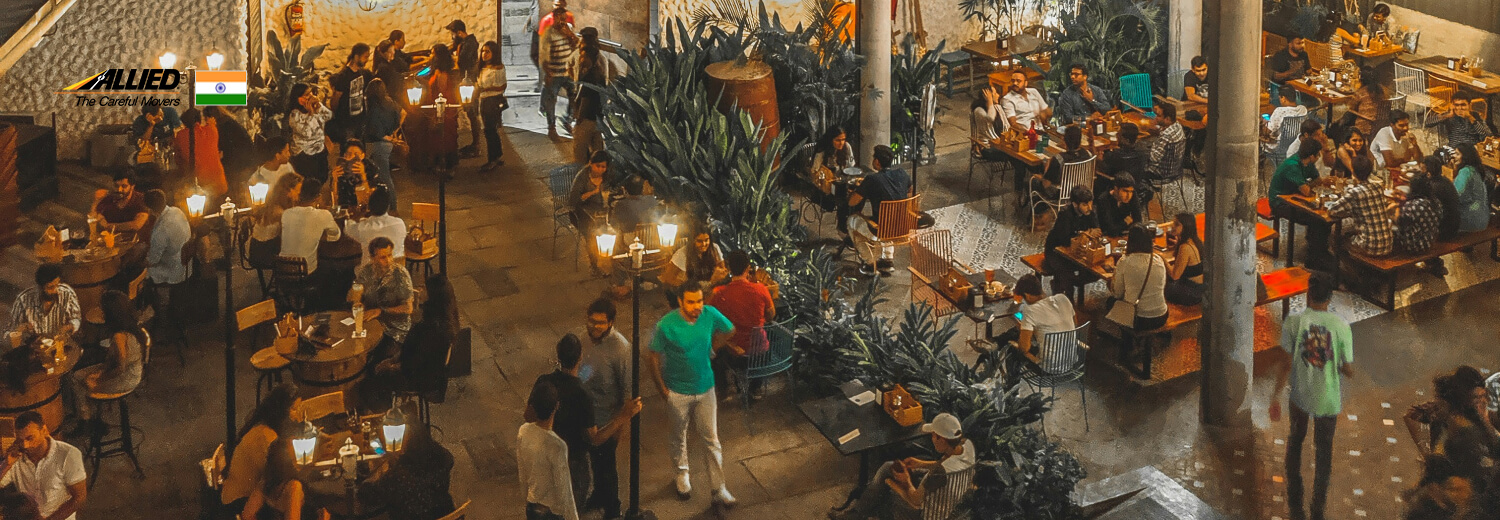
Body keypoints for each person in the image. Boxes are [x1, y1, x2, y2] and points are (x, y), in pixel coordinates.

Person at [530, 335, 644, 514]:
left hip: (544, 455)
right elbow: (594, 439)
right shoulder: (581, 394)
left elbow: (528, 416)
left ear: (558, 356)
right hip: (573, 463)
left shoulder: (544, 382)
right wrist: (623, 416)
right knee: (569, 509)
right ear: (580, 358)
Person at [648, 281, 736, 505]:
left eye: (699, 301)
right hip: (677, 391)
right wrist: (663, 390)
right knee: (678, 435)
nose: (697, 306)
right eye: (691, 302)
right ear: (680, 302)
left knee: (712, 439)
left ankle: (719, 487)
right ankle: (682, 474)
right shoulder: (666, 325)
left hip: (706, 387)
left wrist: (713, 349)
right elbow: (653, 357)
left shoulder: (710, 314)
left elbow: (729, 329)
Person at [1275, 272, 1354, 520]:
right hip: (1327, 399)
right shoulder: (1341, 326)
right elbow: (1348, 368)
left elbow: (1285, 363)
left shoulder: (1293, 322)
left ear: (1308, 294)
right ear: (1330, 298)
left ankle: (1294, 491)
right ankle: (1318, 507)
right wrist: (1340, 366)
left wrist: (1275, 395)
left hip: (1300, 394)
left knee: (1296, 438)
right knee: (1323, 451)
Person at [827, 413, 976, 520]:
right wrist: (920, 463)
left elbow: (915, 499)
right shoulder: (967, 446)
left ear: (942, 439)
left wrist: (906, 480)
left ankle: (856, 515)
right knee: (888, 467)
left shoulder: (940, 472)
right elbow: (948, 462)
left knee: (886, 479)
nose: (932, 438)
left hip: (924, 514)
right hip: (946, 500)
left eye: (933, 435)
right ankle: (859, 512)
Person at [363, 275, 457, 412]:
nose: (420, 290)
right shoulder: (442, 318)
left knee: (369, 382)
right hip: (419, 368)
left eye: (424, 288)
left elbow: (414, 363)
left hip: (419, 377)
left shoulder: (435, 329)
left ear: (433, 296)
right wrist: (393, 360)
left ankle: (383, 416)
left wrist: (390, 367)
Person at [575, 298, 632, 517]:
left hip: (607, 419)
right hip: (586, 417)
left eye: (600, 323)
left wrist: (620, 426)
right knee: (595, 463)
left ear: (610, 323)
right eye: (591, 321)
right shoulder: (583, 339)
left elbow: (627, 391)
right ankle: (599, 495)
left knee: (607, 466)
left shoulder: (621, 349)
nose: (594, 327)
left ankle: (612, 506)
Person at [358, 405, 456, 520]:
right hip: (443, 514)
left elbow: (368, 497)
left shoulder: (398, 476)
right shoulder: (441, 455)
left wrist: (370, 478)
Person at [68, 290, 144, 424]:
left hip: (125, 378)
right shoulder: (131, 325)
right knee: (77, 376)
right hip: (133, 371)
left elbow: (120, 367)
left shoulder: (119, 337)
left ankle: (88, 421)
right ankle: (89, 417)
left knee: (79, 381)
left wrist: (98, 378)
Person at [708, 251, 776, 398]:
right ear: (748, 268)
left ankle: (724, 389)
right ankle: (755, 388)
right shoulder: (761, 290)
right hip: (759, 354)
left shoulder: (719, 293)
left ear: (729, 269)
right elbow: (771, 316)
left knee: (713, 345)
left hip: (733, 354)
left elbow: (710, 320)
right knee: (763, 339)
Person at [0, 411, 86, 520]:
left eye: (30, 438)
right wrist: (6, 465)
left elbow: (79, 497)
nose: (25, 445)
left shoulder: (68, 454)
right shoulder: (16, 457)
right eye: (20, 440)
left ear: (44, 431)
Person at [518, 381, 581, 520]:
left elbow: (522, 473)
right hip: (550, 513)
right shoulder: (557, 446)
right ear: (556, 406)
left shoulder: (524, 431)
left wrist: (526, 500)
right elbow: (564, 490)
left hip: (532, 507)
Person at [1269, 140, 1335, 268]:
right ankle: (1313, 257)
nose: (1319, 157)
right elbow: (1306, 191)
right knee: (1317, 219)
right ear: (1312, 156)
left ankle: (1320, 251)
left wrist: (1318, 182)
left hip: (1294, 198)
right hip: (1279, 203)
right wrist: (1314, 184)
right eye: (1318, 155)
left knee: (1325, 219)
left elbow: (1317, 179)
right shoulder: (1293, 165)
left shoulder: (1307, 164)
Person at [847, 146, 912, 275]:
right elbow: (910, 191)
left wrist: (857, 190)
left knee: (852, 221)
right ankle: (887, 260)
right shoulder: (902, 173)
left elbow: (852, 201)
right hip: (903, 225)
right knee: (888, 218)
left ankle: (870, 263)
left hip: (881, 228)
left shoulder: (872, 179)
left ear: (877, 161)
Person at [1404, 366, 1490, 459]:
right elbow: (1411, 416)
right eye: (1476, 397)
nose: (1483, 401)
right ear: (1464, 394)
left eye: (1483, 396)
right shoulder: (1443, 408)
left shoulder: (1478, 413)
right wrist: (1426, 453)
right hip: (1448, 467)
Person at [1108, 223, 1168, 352]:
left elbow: (1117, 294)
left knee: (1110, 302)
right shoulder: (1158, 259)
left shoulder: (1125, 261)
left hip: (1139, 318)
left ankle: (1126, 344)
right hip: (1161, 315)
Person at [1006, 274, 1078, 368]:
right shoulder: (1062, 298)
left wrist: (1024, 332)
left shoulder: (1030, 310)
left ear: (1027, 295)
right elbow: (1075, 324)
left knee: (1011, 348)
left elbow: (1024, 349)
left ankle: (1011, 381)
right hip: (1071, 361)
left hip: (1049, 368)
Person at [1329, 155, 1394, 256]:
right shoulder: (1378, 187)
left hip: (1369, 246)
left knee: (1336, 232)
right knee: (1352, 226)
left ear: (1353, 172)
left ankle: (1346, 269)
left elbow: (1333, 210)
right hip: (1387, 243)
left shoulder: (1354, 192)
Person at [353, 237, 414, 346]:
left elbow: (408, 308)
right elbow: (357, 292)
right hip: (371, 325)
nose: (388, 261)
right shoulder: (366, 272)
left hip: (395, 331)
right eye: (383, 257)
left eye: (390, 255)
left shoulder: (400, 274)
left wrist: (381, 311)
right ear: (372, 258)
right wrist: (356, 301)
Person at [1042, 186, 1100, 295]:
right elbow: (1064, 240)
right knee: (1066, 274)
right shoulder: (1065, 214)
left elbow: (1096, 229)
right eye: (1085, 204)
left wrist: (1087, 234)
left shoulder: (1090, 212)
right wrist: (1085, 233)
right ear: (1075, 204)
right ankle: (1066, 298)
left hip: (1077, 251)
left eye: (1090, 203)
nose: (1089, 207)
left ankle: (1066, 284)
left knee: (1093, 271)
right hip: (1055, 252)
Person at [279, 177, 341, 276]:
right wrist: (320, 236)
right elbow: (336, 236)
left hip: (282, 271)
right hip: (306, 273)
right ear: (318, 197)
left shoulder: (286, 213)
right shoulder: (323, 214)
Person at [7, 264, 80, 343]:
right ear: (40, 287)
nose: (55, 290)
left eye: (57, 285)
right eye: (50, 287)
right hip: (34, 347)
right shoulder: (23, 300)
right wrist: (20, 329)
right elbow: (11, 330)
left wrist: (69, 327)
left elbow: (76, 319)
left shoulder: (67, 294)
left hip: (61, 345)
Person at [538, 4, 579, 138]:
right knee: (551, 99)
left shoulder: (568, 29)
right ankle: (551, 126)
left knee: (574, 97)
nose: (562, 22)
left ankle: (568, 120)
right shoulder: (548, 33)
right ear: (554, 18)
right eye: (560, 19)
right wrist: (547, 73)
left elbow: (577, 45)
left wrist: (570, 34)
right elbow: (543, 55)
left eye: (564, 19)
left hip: (568, 72)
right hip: (554, 73)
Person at [362, 77, 404, 206]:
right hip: (388, 144)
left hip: (379, 144)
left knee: (384, 176)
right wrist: (395, 131)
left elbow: (375, 131)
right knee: (381, 175)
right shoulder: (390, 102)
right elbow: (404, 113)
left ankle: (392, 204)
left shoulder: (374, 109)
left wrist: (386, 136)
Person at [445, 19, 483, 158]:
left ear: (460, 32)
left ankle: (476, 145)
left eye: (453, 33)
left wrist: (456, 53)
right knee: (470, 112)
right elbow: (451, 49)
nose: (452, 36)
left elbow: (462, 61)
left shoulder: (469, 43)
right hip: (466, 82)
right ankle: (475, 144)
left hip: (469, 83)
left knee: (472, 112)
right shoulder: (463, 43)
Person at [250, 172, 303, 269]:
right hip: (264, 255)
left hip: (256, 250)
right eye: (298, 191)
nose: (299, 195)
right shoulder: (278, 212)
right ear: (289, 191)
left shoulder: (273, 203)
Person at [1034, 126, 1094, 212]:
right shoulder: (1087, 154)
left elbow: (1046, 184)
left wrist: (1045, 170)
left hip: (1061, 194)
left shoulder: (1059, 159)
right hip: (1081, 192)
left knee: (1034, 182)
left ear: (1064, 140)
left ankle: (1038, 215)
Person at [421, 43, 462, 171]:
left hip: (442, 109)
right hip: (444, 107)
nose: (431, 56)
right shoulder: (443, 71)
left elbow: (441, 91)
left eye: (433, 53)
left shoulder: (441, 74)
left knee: (443, 137)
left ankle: (446, 165)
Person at [1421, 154, 1463, 276]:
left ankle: (1433, 262)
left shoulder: (1432, 187)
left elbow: (1428, 212)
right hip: (1455, 223)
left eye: (1422, 169)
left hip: (1445, 231)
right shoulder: (1445, 181)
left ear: (1428, 172)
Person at [344, 187, 405, 266]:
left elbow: (347, 229)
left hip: (371, 274)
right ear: (388, 207)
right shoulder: (399, 224)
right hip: (396, 271)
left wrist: (357, 215)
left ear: (369, 208)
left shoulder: (362, 228)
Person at [572, 28, 607, 164]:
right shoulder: (599, 64)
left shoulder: (589, 70)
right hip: (598, 114)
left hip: (587, 116)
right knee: (597, 148)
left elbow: (586, 96)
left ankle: (583, 174)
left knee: (579, 148)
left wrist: (579, 116)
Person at [174, 108, 228, 197]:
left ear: (184, 123)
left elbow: (178, 161)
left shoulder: (180, 135)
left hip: (199, 188)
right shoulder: (212, 130)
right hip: (220, 184)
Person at [662, 228, 728, 300]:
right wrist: (686, 285)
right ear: (692, 241)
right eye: (699, 241)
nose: (704, 244)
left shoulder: (714, 248)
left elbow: (723, 269)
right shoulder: (682, 254)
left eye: (706, 240)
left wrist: (718, 275)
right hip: (691, 291)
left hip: (710, 287)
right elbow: (667, 277)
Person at [287, 83, 334, 184]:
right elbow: (307, 133)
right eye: (307, 94)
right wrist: (311, 113)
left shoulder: (315, 107)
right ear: (299, 99)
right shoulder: (295, 115)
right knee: (309, 182)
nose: (311, 96)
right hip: (305, 154)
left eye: (311, 93)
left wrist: (319, 107)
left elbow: (329, 116)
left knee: (322, 177)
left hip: (319, 149)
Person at [328, 43, 374, 143]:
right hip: (347, 121)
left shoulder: (363, 73)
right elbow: (335, 99)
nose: (366, 60)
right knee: (348, 146)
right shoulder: (344, 76)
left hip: (360, 119)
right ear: (356, 56)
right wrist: (336, 113)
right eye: (365, 57)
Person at [144, 189, 190, 285]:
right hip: (187, 265)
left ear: (149, 209)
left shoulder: (161, 230)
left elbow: (152, 260)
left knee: (139, 273)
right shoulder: (177, 211)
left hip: (173, 271)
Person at [204, 106, 256, 189]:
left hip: (239, 165)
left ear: (211, 117)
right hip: (247, 161)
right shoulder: (229, 121)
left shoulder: (221, 127)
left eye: (205, 119)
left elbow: (221, 150)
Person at [477, 40, 509, 171]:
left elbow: (502, 86)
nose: (484, 54)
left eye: (487, 52)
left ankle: (493, 159)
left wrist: (485, 89)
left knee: (490, 131)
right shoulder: (483, 67)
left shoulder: (497, 68)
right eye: (483, 51)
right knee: (490, 130)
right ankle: (497, 156)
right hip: (484, 101)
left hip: (492, 102)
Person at [1394, 175, 1444, 255]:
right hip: (1430, 241)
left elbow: (1398, 222)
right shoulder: (1435, 201)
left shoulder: (1411, 206)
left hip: (1414, 246)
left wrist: (1397, 206)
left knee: (1391, 229)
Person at [568, 151, 613, 238]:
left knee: (616, 223)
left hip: (601, 209)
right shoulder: (582, 177)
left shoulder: (607, 175)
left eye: (603, 167)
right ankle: (593, 249)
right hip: (581, 212)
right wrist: (592, 192)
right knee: (593, 231)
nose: (600, 170)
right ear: (591, 164)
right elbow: (573, 200)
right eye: (597, 166)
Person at [1164, 212, 1205, 306]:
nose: (1173, 226)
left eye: (1177, 224)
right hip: (1199, 289)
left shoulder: (1185, 247)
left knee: (1162, 281)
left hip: (1190, 293)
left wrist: (1163, 260)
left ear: (1185, 227)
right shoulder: (1195, 241)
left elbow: (1175, 276)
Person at [1427, 97, 1494, 149]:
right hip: (1454, 150)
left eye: (1463, 105)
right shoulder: (1449, 116)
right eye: (1457, 105)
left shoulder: (1475, 116)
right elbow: (1427, 123)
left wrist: (1471, 119)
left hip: (1471, 151)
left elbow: (1488, 136)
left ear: (1469, 105)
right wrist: (1446, 116)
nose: (1460, 108)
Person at [1452, 144, 1491, 233]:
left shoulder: (1465, 172)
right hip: (1483, 216)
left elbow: (1457, 196)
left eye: (1457, 154)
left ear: (1465, 156)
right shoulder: (1475, 169)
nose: (1454, 156)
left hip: (1471, 218)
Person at [1146, 103, 1185, 186]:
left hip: (1162, 172)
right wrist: (1158, 128)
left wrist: (1143, 147)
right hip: (1176, 169)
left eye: (1158, 116)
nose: (1156, 117)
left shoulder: (1166, 135)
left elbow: (1154, 158)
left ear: (1167, 118)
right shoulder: (1177, 125)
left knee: (1133, 163)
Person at [333, 138, 375, 209]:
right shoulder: (340, 169)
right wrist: (335, 180)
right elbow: (334, 198)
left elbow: (372, 198)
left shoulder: (371, 169)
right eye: (349, 154)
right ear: (345, 155)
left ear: (362, 155)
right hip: (345, 209)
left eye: (356, 154)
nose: (352, 157)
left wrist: (363, 175)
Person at [1265, 89, 1309, 155]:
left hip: (1279, 148)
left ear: (1283, 98)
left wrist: (1264, 123)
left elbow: (1268, 131)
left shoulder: (1279, 111)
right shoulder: (1303, 109)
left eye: (1280, 98)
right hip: (1296, 145)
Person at [1348, 67, 1388, 138]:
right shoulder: (1383, 90)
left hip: (1365, 124)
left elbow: (1351, 108)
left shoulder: (1361, 93)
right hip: (1381, 124)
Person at [971, 85, 1008, 156]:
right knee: (1011, 155)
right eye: (995, 93)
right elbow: (991, 118)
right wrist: (990, 102)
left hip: (1001, 144)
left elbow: (1007, 125)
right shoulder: (978, 110)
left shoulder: (998, 107)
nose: (998, 95)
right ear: (987, 96)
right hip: (987, 147)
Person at [372, 40, 407, 109]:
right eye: (389, 52)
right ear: (383, 53)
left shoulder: (389, 65)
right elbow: (391, 85)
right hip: (389, 102)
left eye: (393, 50)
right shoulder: (383, 67)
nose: (393, 53)